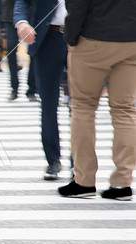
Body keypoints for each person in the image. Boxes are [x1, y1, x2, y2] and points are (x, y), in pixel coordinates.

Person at [58, 0, 136, 200]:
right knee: (125, 109)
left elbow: (76, 7)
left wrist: (71, 38)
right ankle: (122, 183)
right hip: (131, 40)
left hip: (93, 38)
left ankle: (84, 181)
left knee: (83, 107)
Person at [14, 0, 67, 180]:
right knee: (49, 104)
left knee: (81, 107)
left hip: (83, 38)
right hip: (48, 38)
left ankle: (80, 164)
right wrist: (21, 22)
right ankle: (53, 159)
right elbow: (22, 2)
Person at [1, 0, 37, 101]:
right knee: (11, 49)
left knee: (33, 50)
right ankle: (14, 88)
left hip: (32, 13)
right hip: (9, 14)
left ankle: (32, 89)